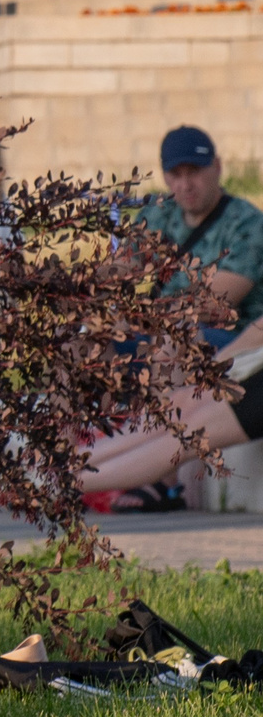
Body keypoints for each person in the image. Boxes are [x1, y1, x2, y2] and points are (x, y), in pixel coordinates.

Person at [83, 126, 263, 495]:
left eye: (194, 172)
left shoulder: (246, 223)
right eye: (175, 175)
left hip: (224, 343)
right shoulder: (159, 216)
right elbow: (114, 277)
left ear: (217, 167)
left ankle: (158, 483)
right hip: (161, 335)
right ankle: (84, 444)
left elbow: (213, 304)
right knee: (79, 335)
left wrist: (137, 316)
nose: (185, 184)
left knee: (174, 332)